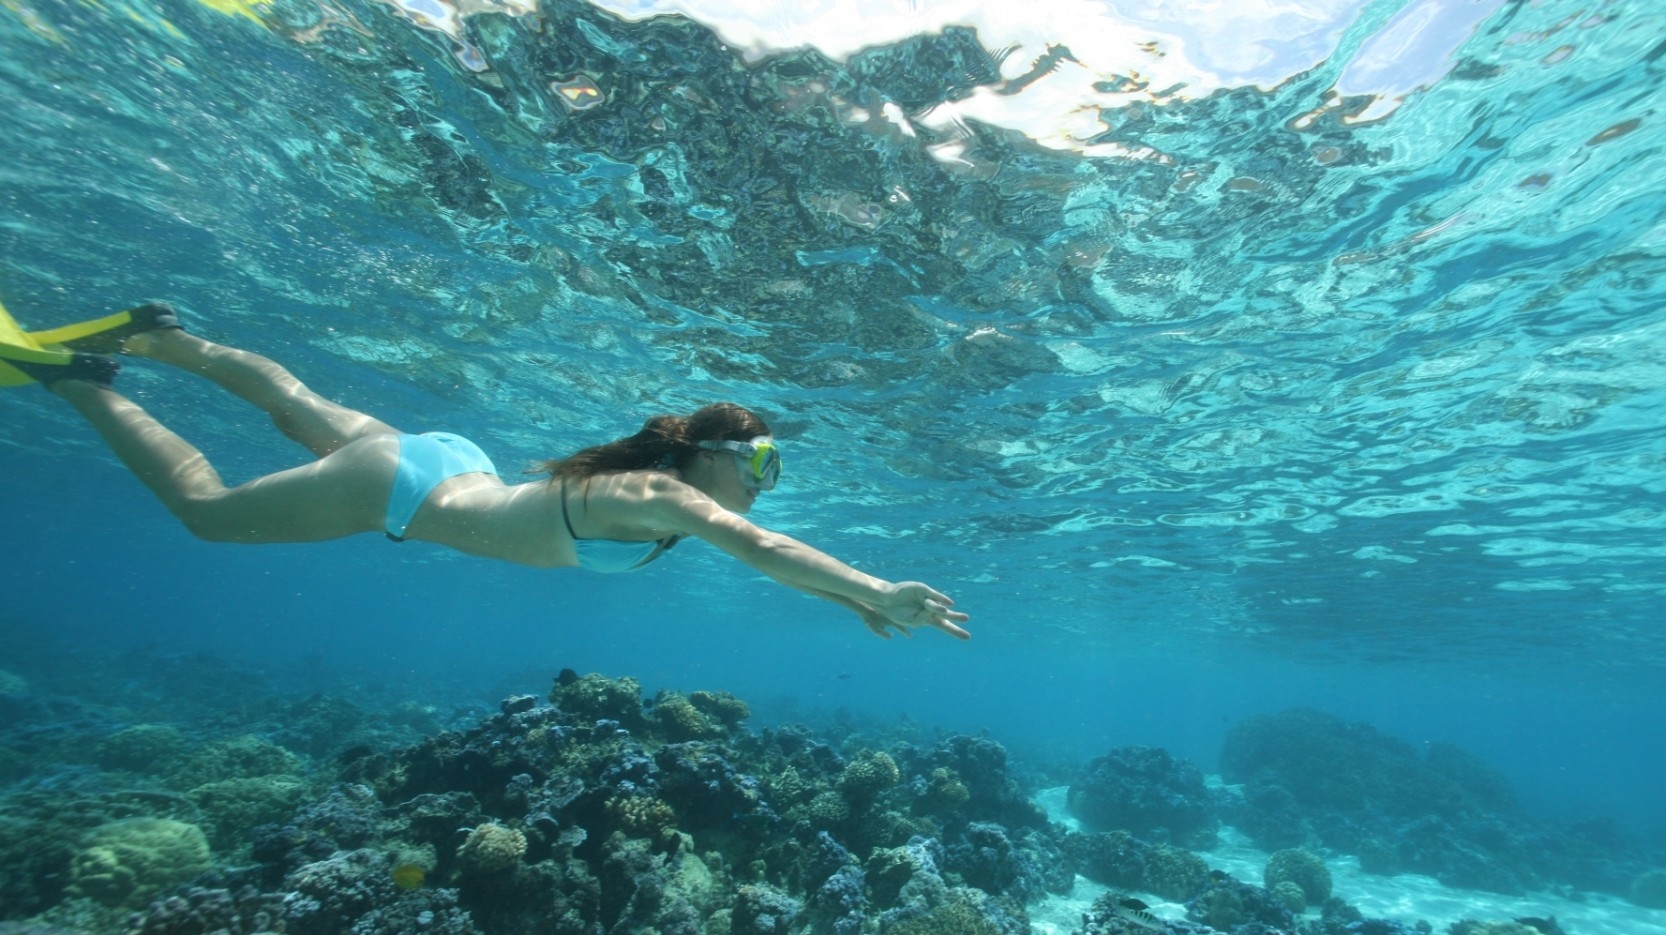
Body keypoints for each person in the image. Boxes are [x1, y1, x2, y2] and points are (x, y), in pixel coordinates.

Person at [0, 301, 970, 640]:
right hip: (407, 486)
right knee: (204, 510)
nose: (767, 476)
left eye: (775, 462)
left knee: (293, 403)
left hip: (446, 462)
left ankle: (167, 336)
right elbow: (757, 544)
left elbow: (758, 548)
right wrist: (878, 584)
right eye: (759, 457)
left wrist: (855, 604)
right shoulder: (665, 493)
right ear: (703, 454)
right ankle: (87, 382)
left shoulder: (660, 496)